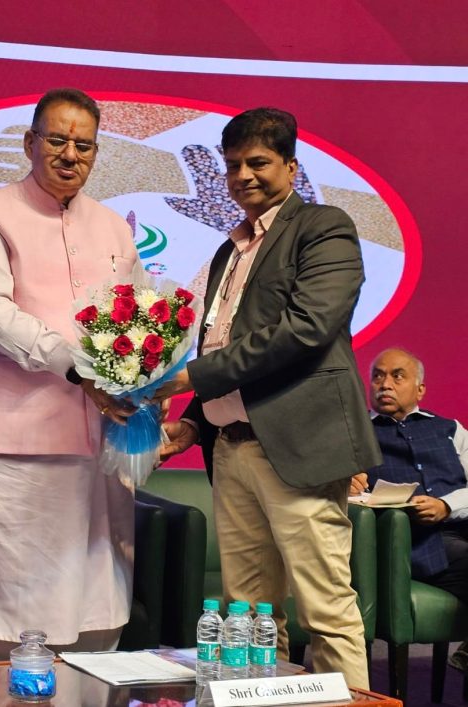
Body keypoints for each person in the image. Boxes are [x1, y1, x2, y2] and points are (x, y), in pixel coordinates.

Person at [155, 107, 381, 688]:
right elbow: (225, 344)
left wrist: (193, 377)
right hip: (231, 449)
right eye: (233, 165)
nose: (243, 176)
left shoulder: (324, 227)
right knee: (247, 615)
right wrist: (195, 422)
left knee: (325, 610)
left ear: (291, 166)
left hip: (300, 444)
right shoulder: (230, 249)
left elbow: (305, 330)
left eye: (258, 162)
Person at [0, 88, 140, 662]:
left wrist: (147, 387)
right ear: (29, 143)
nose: (70, 154)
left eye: (83, 145)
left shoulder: (115, 227)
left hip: (96, 447)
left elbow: (139, 319)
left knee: (95, 613)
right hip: (5, 448)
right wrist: (81, 367)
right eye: (57, 140)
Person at [351, 348, 468, 671]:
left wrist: (447, 505)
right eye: (378, 376)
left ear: (420, 389)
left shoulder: (451, 429)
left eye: (397, 376)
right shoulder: (356, 433)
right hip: (411, 543)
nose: (385, 384)